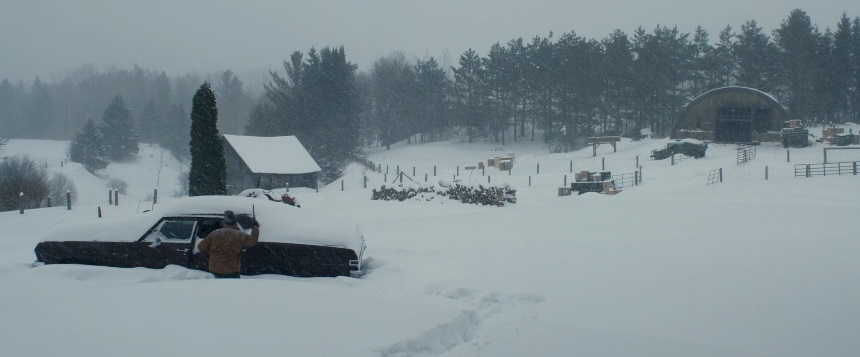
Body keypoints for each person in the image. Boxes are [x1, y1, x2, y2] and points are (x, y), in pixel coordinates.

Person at [197, 210, 260, 279]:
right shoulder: (239, 235)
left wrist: (213, 250)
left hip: (215, 269)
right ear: (235, 223)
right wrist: (255, 227)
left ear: (224, 222)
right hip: (231, 270)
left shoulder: (214, 233)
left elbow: (200, 247)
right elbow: (252, 241)